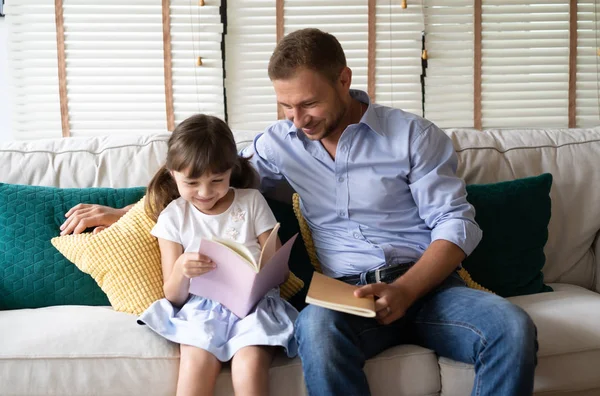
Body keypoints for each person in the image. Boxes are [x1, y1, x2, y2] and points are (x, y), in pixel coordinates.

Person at [61, 29, 538, 396]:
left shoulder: (413, 136)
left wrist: (405, 289)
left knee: (511, 328)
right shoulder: (280, 143)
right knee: (316, 330)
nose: (297, 119)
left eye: (308, 103)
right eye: (285, 106)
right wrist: (126, 210)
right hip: (345, 294)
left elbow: (455, 224)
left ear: (344, 81)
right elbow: (212, 180)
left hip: (427, 286)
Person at [137, 114, 298, 396]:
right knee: (195, 367)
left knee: (249, 366)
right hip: (201, 308)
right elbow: (172, 295)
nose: (205, 192)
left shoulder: (251, 201)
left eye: (217, 180)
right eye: (192, 183)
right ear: (172, 174)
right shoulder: (173, 217)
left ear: (231, 171)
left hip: (253, 305)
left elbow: (279, 271)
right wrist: (182, 270)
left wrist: (270, 268)